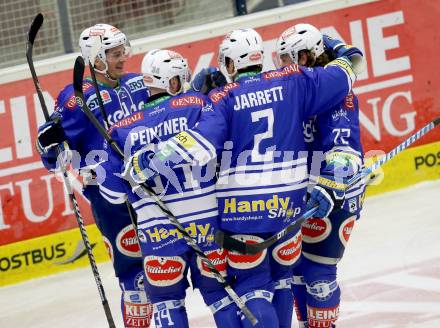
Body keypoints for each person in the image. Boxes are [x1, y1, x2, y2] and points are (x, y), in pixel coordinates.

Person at [125, 28, 359, 328]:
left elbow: (201, 144)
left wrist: (151, 160)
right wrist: (337, 46)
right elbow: (347, 71)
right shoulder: (291, 80)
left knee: (251, 286)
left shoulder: (222, 97)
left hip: (242, 212)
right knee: (284, 279)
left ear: (231, 65)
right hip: (288, 205)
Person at [97, 49, 240, 328]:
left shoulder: (121, 131)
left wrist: (136, 163)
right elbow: (212, 141)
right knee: (221, 295)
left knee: (167, 304)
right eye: (180, 78)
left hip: (157, 233)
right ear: (171, 82)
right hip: (207, 227)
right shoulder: (196, 104)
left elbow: (111, 194)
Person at [35, 24, 152, 328]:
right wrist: (50, 143)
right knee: (136, 278)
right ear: (96, 58)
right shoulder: (77, 98)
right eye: (114, 54)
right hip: (113, 200)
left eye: (122, 51)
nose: (123, 58)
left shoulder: (139, 83)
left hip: (154, 188)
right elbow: (55, 149)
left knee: (168, 270)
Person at [275, 23, 366, 328]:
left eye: (291, 60)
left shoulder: (335, 90)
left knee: (318, 271)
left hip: (335, 193)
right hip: (305, 190)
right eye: (282, 61)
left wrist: (332, 181)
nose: (286, 68)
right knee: (296, 269)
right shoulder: (300, 84)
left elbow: (345, 150)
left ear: (308, 55)